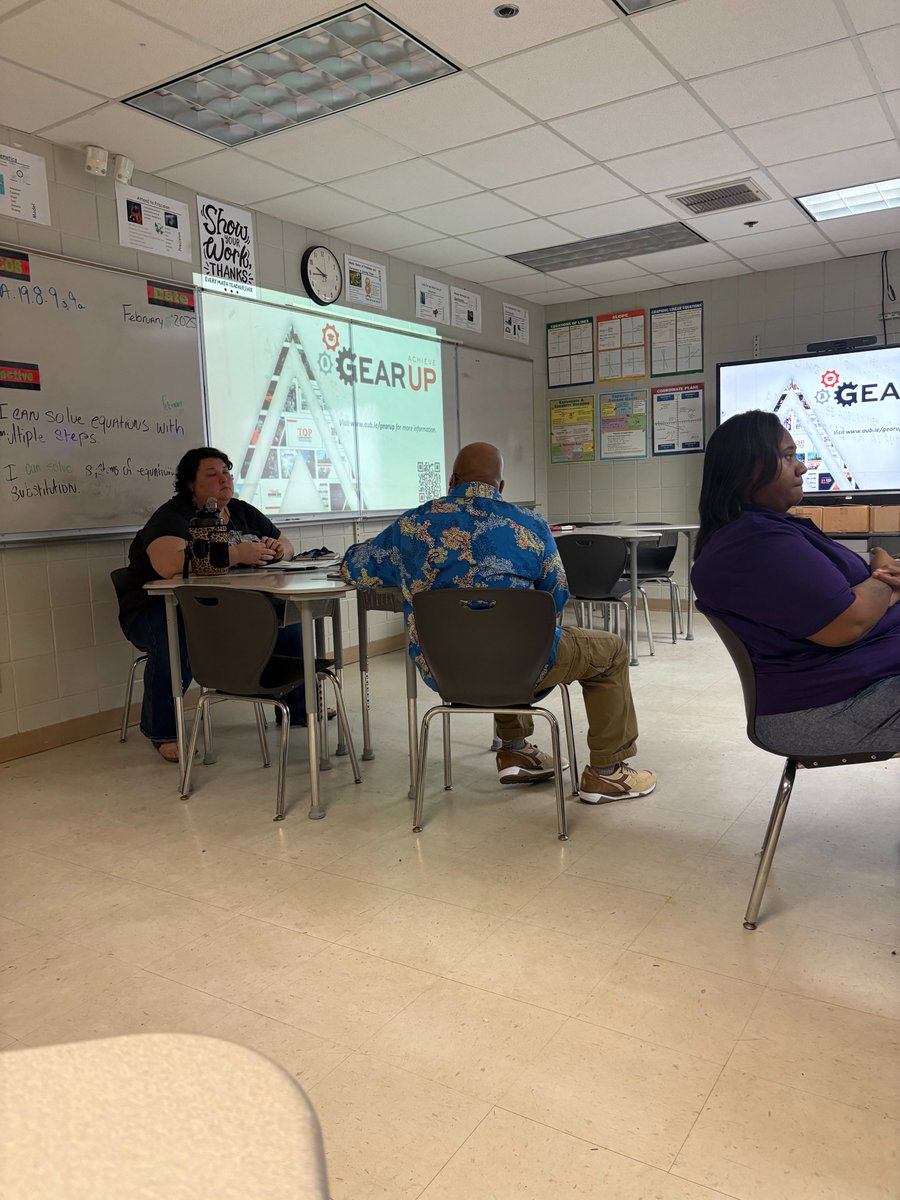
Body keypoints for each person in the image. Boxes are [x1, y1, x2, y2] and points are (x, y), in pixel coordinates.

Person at [341, 442, 656, 803]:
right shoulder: (530, 524)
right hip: (522, 667)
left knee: (495, 639)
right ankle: (607, 773)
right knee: (607, 650)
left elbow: (356, 568)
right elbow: (557, 595)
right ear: (501, 486)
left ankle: (517, 750)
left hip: (443, 669)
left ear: (452, 480)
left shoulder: (412, 525)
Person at [691, 410, 900, 753]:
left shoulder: (764, 531)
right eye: (788, 456)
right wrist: (886, 580)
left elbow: (854, 602)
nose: (801, 467)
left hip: (859, 678)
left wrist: (882, 579)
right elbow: (849, 621)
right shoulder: (754, 544)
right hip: (830, 705)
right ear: (749, 468)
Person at [117, 447, 309, 763]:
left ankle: (298, 708)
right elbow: (168, 565)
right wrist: (234, 554)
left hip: (219, 609)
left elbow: (287, 545)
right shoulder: (172, 516)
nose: (224, 479)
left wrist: (278, 550)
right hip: (155, 609)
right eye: (212, 474)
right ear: (190, 484)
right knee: (175, 637)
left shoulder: (242, 511)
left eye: (226, 472)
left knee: (287, 621)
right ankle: (162, 731)